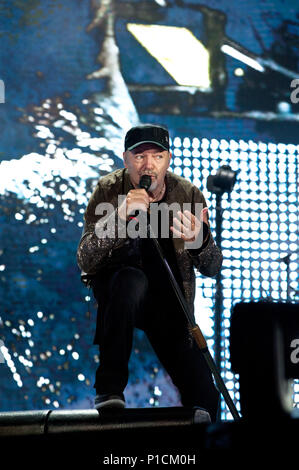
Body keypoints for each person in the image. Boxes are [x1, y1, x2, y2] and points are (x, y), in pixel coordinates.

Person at [76, 124, 223, 421]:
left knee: (206, 397)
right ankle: (109, 388)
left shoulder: (187, 194)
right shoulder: (108, 189)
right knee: (131, 281)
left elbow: (212, 267)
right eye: (140, 156)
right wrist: (119, 216)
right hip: (120, 289)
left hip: (167, 295)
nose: (148, 164)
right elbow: (85, 259)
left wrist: (201, 240)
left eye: (157, 156)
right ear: (126, 159)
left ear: (168, 159)